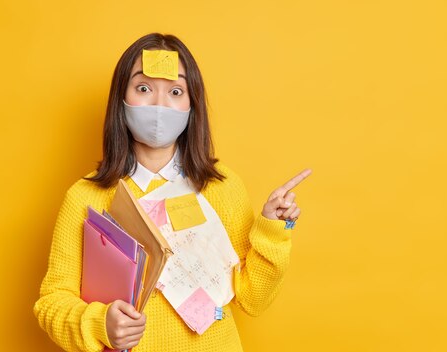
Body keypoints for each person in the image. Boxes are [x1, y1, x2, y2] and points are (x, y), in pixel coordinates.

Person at [33, 32, 312, 352]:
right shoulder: (87, 196)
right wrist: (100, 323)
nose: (159, 105)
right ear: (120, 100)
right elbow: (51, 302)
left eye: (175, 91)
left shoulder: (222, 188)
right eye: (143, 88)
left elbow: (253, 300)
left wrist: (273, 230)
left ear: (192, 105)